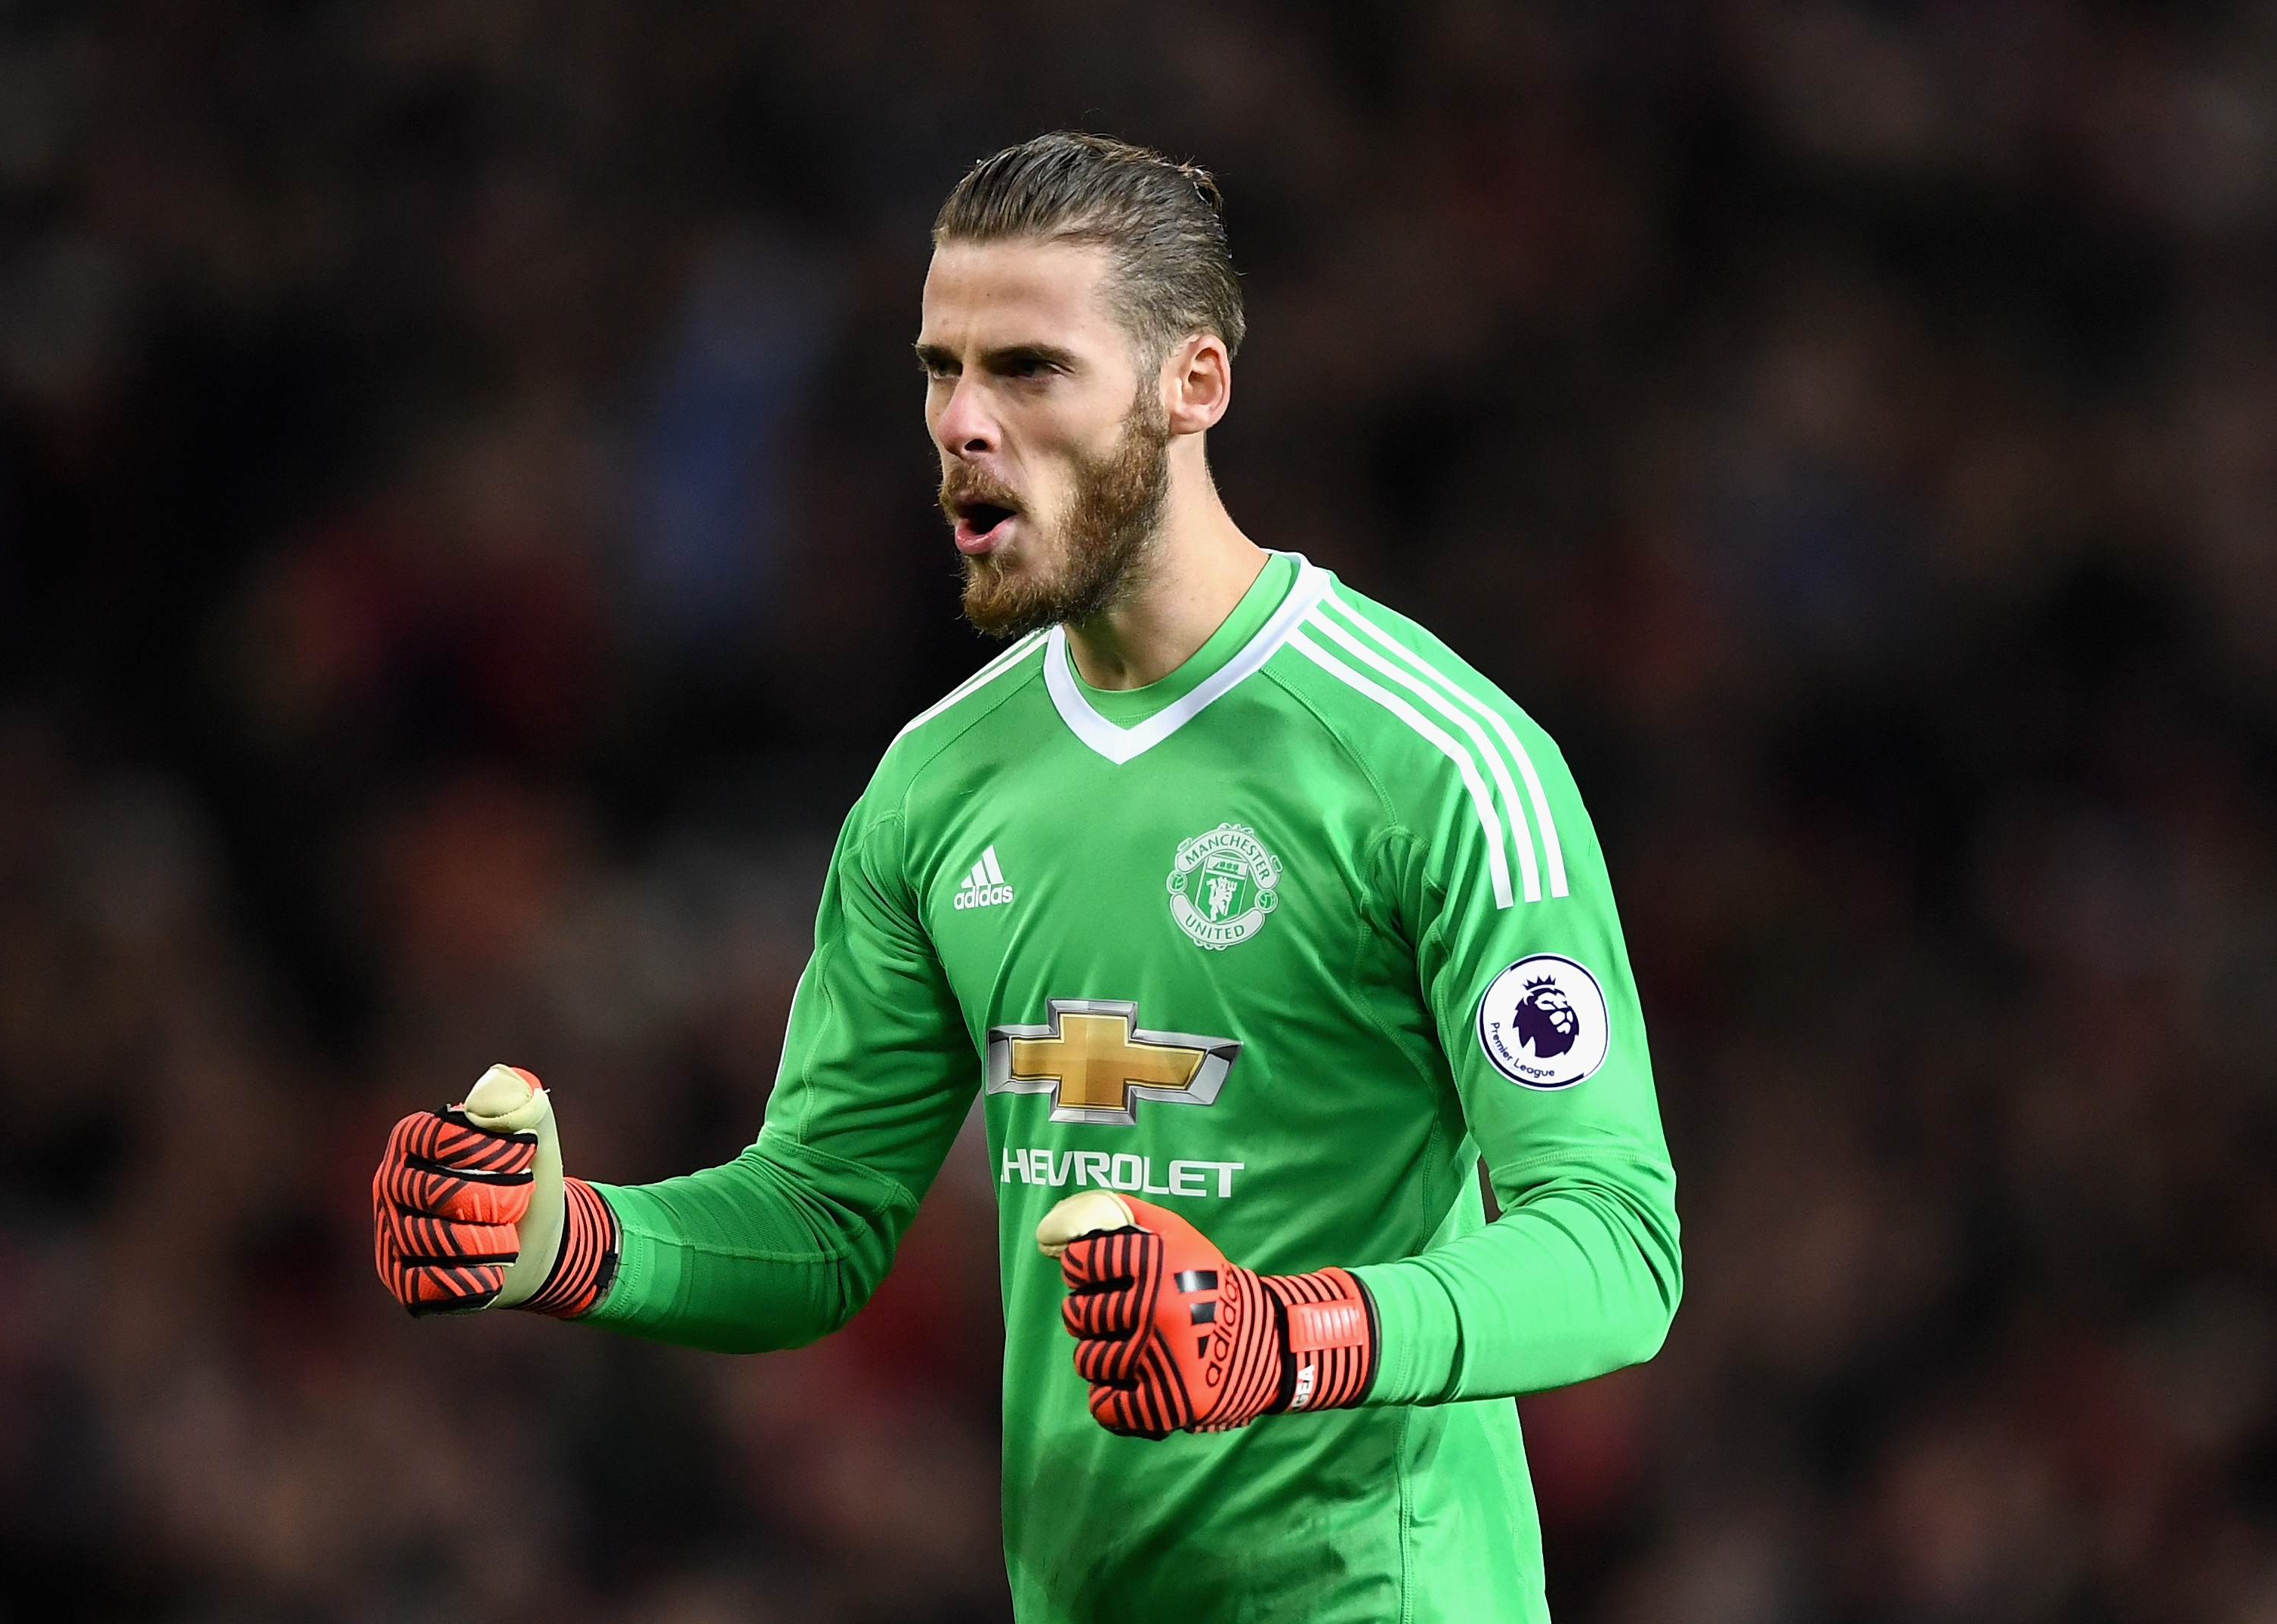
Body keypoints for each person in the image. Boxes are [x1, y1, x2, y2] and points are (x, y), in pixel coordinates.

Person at [372, 131, 1681, 1622]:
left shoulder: (1439, 764)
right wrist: (565, 1239)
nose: (962, 424)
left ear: (1193, 384)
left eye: (1029, 369)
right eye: (942, 370)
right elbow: (821, 1215)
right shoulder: (937, 783)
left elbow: (1614, 1246)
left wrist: (1289, 1334)